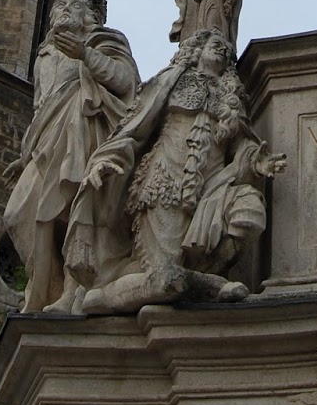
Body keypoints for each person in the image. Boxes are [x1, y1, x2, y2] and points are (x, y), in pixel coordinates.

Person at [64, 30, 285, 315]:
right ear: (198, 49)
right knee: (165, 276)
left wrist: (256, 163)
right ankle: (107, 296)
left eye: (227, 51)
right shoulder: (172, 79)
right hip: (165, 183)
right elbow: (136, 127)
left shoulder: (231, 97)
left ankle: (200, 279)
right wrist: (106, 160)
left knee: (250, 213)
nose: (223, 51)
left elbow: (242, 145)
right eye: (216, 45)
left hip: (214, 186)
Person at [3, 0, 138, 314]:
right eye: (59, 6)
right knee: (17, 214)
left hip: (84, 130)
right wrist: (25, 157)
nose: (64, 9)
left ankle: (71, 291)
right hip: (47, 140)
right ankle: (46, 288)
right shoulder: (44, 56)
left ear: (88, 15)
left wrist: (85, 54)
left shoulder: (103, 40)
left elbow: (126, 82)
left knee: (71, 210)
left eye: (74, 5)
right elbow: (41, 108)